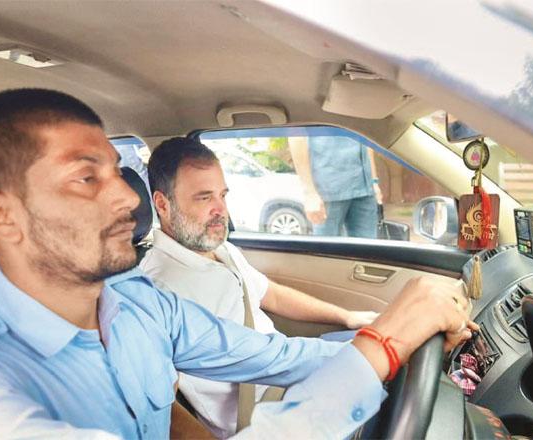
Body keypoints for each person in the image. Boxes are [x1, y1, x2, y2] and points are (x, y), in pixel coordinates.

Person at [0, 88, 473, 439]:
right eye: (86, 178)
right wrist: (389, 340)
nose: (128, 199)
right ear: (2, 216)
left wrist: (386, 344)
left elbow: (276, 355)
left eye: (116, 172)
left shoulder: (135, 303)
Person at [140, 137, 379, 438]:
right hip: (266, 417)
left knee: (379, 352)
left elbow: (270, 294)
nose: (220, 210)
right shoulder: (157, 288)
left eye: (222, 195)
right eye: (204, 198)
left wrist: (347, 317)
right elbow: (162, 402)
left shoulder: (220, 246)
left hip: (292, 376)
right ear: (163, 204)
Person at [289, 135, 383, 238]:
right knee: (327, 250)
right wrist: (310, 193)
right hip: (329, 191)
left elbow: (365, 136)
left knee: (368, 251)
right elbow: (296, 136)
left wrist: (374, 181)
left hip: (365, 188)